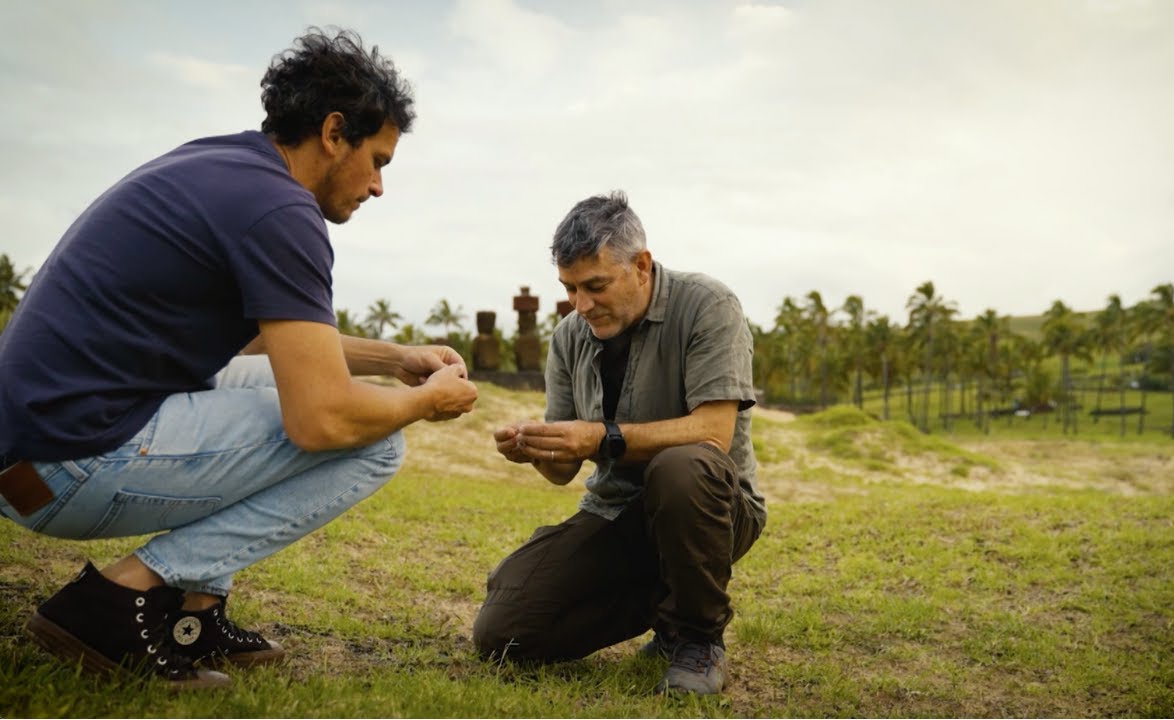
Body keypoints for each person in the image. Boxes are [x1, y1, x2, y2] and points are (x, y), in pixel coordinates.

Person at [0, 28, 477, 689]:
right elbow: (320, 420)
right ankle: (115, 600)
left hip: (31, 449)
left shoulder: (223, 168)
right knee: (374, 441)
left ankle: (195, 613)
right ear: (334, 131)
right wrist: (425, 403)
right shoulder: (280, 210)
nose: (377, 186)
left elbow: (264, 336)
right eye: (379, 160)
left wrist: (394, 359)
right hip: (67, 461)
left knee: (274, 382)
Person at [473, 191, 766, 695]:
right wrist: (537, 449)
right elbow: (566, 471)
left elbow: (712, 433)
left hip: (713, 507)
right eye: (569, 288)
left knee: (681, 469)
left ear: (642, 266)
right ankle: (666, 611)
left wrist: (600, 438)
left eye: (595, 286)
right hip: (615, 513)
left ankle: (697, 638)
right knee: (502, 634)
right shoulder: (568, 336)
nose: (581, 305)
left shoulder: (708, 306)